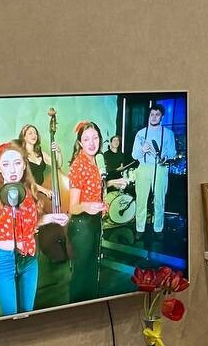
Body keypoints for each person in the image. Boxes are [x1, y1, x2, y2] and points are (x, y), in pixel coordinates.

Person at [0, 141, 69, 315]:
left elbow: (30, 223)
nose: (12, 170)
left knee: (27, 311)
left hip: (29, 260)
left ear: (24, 165)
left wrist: (51, 218)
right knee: (12, 314)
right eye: (6, 164)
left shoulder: (28, 192)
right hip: (4, 261)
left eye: (17, 163)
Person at [67, 120, 127, 301]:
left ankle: (90, 307)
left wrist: (112, 182)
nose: (91, 143)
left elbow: (94, 186)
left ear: (100, 139)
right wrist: (86, 206)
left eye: (95, 137)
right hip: (81, 225)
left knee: (93, 268)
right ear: (80, 143)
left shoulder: (97, 160)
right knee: (82, 273)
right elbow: (73, 207)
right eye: (86, 139)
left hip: (94, 221)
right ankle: (75, 310)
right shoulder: (78, 165)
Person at [130, 104, 177, 237]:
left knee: (159, 201)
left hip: (161, 169)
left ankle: (158, 229)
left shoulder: (168, 133)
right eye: (152, 114)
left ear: (162, 117)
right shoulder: (141, 134)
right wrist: (142, 150)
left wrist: (165, 157)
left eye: (157, 115)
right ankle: (140, 229)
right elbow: (134, 155)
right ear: (149, 116)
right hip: (143, 168)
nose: (154, 117)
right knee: (141, 200)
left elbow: (173, 152)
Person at [18, 124, 54, 201]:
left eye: (35, 133)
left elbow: (56, 165)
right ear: (24, 137)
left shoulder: (41, 153)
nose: (34, 135)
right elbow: (25, 180)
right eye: (30, 133)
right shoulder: (21, 156)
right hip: (26, 193)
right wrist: (44, 190)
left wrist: (58, 152)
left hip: (39, 194)